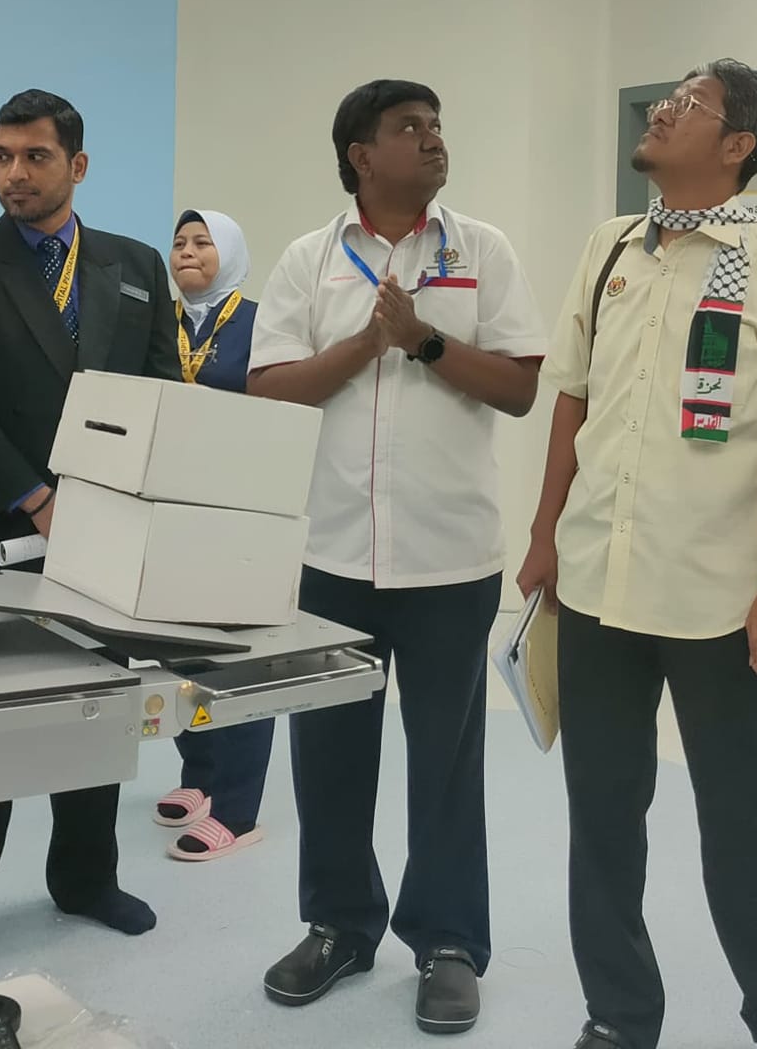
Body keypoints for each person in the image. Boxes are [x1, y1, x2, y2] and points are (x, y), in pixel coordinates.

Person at [521, 61, 757, 1049]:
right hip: (596, 584)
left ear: (737, 144)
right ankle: (618, 1016)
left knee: (744, 816)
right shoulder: (611, 247)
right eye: (668, 96)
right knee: (601, 815)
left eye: (691, 103)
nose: (664, 108)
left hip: (717, 596)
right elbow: (572, 398)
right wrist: (543, 534)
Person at [249, 79, 546, 1038]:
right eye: (408, 128)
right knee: (329, 758)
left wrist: (422, 340)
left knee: (446, 763)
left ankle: (449, 944)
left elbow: (519, 388)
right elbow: (270, 389)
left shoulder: (481, 251)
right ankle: (339, 927)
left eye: (436, 125)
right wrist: (366, 343)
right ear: (360, 155)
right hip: (332, 555)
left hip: (450, 559)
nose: (432, 139)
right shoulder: (308, 259)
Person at [0, 88, 181, 989]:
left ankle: (86, 879)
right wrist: (35, 498)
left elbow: (161, 393)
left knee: (95, 713)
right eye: (2, 156)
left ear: (77, 165)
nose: (14, 174)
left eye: (35, 157)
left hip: (105, 535)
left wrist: (139, 505)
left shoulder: (135, 265)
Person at [153, 208, 278, 863]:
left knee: (241, 657)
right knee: (182, 655)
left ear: (230, 252)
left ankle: (237, 806)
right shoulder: (158, 321)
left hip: (243, 510)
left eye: (203, 242)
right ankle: (199, 773)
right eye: (179, 242)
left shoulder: (263, 322)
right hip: (170, 510)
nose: (187, 251)